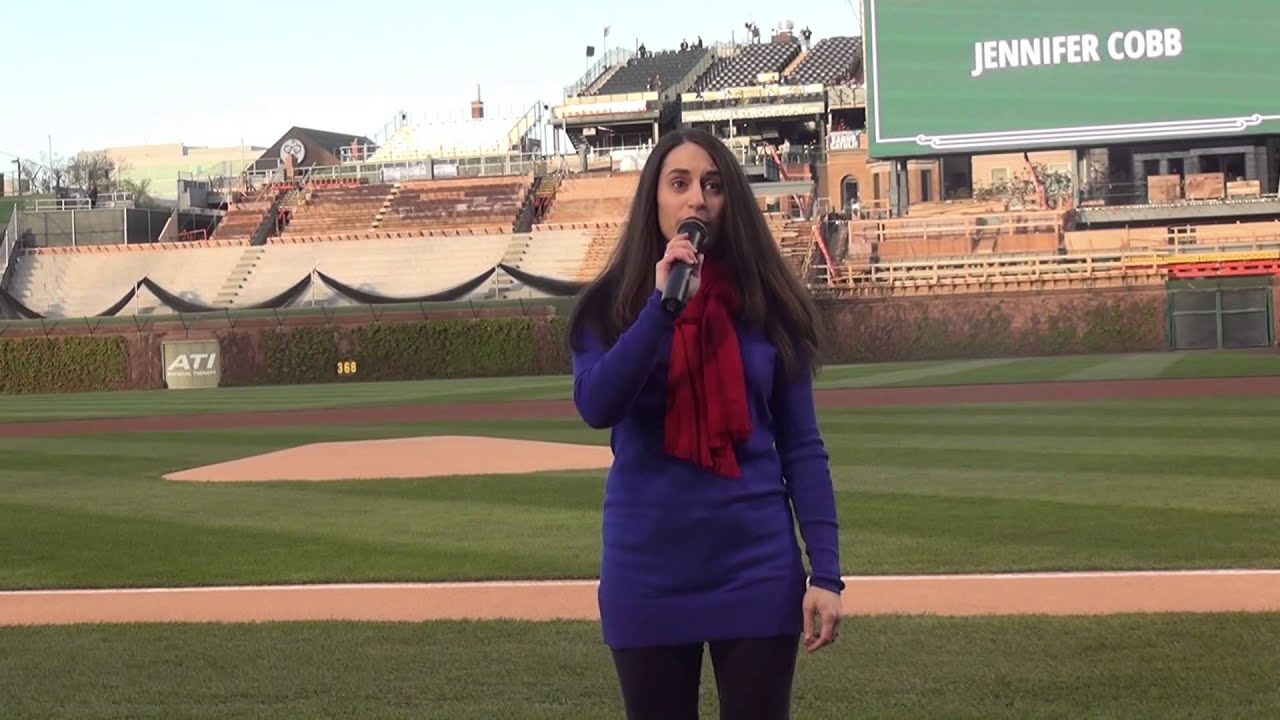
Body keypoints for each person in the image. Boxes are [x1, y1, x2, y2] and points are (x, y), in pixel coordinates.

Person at [566, 127, 845, 720]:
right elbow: (598, 405)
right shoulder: (608, 307)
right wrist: (661, 306)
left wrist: (827, 571)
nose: (697, 199)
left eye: (713, 186)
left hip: (755, 564)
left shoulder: (769, 305)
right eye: (680, 183)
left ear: (729, 204)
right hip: (647, 567)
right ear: (655, 201)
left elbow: (802, 448)